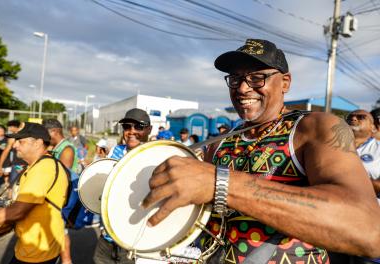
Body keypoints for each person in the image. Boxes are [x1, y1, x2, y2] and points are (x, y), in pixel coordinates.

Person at [142, 38, 380, 262]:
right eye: (235, 79)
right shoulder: (218, 144)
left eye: (257, 78)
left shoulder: (315, 128)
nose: (243, 89)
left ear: (285, 82)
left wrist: (221, 184)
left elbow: (367, 230)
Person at [0, 122, 68, 263]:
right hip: (30, 247)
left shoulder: (44, 168)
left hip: (38, 252)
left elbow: (17, 212)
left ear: (38, 143)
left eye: (21, 141)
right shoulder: (35, 166)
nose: (15, 145)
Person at [94, 108, 152, 264]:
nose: (131, 131)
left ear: (149, 129)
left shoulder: (156, 154)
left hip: (133, 241)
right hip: (107, 237)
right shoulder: (116, 150)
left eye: (138, 126)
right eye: (127, 126)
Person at [43, 119, 78, 264]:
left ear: (54, 131)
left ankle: (66, 260)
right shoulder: (57, 147)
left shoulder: (67, 149)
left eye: (45, 134)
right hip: (56, 197)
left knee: (61, 230)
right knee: (58, 230)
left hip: (63, 198)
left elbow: (62, 177)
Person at [347, 110, 380, 196]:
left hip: (370, 203)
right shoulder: (329, 145)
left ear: (373, 127)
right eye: (349, 117)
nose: (353, 118)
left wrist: (349, 180)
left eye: (361, 117)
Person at [0, 120, 26, 185]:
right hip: (17, 165)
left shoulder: (27, 136)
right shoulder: (12, 138)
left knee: (22, 186)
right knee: (13, 186)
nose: (9, 129)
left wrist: (0, 166)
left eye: (10, 127)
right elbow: (5, 152)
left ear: (14, 127)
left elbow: (5, 152)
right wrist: (0, 166)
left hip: (25, 165)